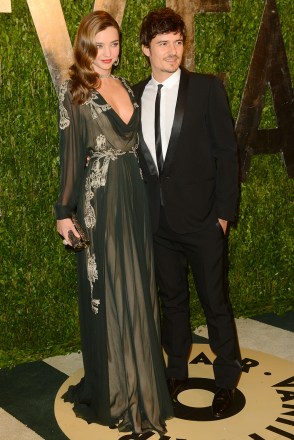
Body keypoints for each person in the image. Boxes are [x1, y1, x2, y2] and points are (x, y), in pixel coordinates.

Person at [55, 10, 173, 435]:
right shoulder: (76, 91)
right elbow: (70, 157)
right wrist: (62, 212)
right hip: (100, 202)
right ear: (86, 46)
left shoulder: (125, 85)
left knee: (139, 288)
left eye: (115, 44)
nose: (108, 53)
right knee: (111, 288)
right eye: (99, 45)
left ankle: (143, 385)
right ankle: (118, 391)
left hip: (135, 195)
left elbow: (139, 148)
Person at [133, 7, 242, 418]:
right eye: (163, 44)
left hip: (203, 222)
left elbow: (226, 154)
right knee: (173, 301)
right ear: (145, 49)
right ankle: (175, 370)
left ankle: (227, 377)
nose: (173, 51)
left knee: (216, 302)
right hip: (158, 224)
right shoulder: (136, 94)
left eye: (178, 42)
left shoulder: (207, 89)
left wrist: (223, 215)